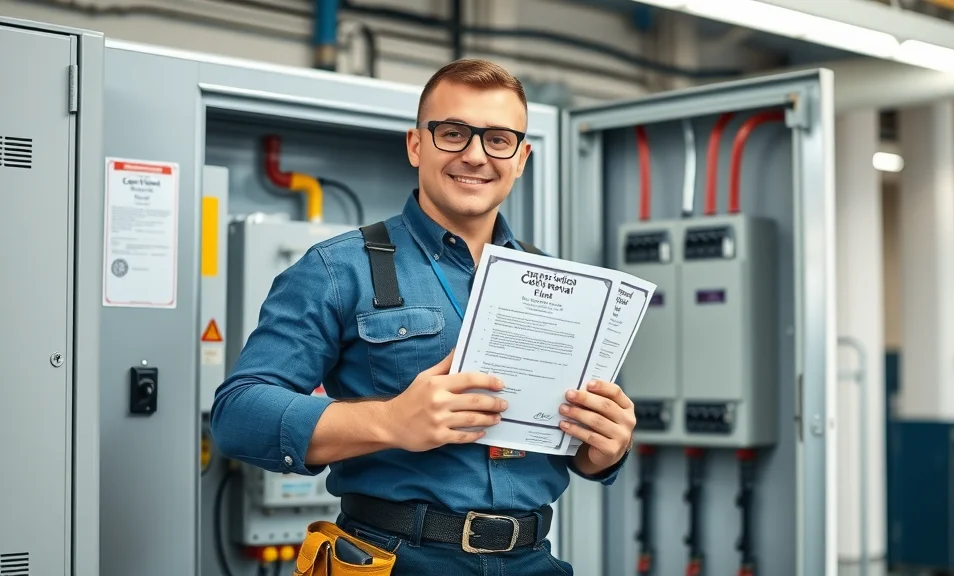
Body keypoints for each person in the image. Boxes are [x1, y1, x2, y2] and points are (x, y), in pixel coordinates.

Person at [211, 58, 637, 575]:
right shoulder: (336, 268)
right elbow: (237, 415)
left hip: (534, 562)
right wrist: (390, 422)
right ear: (417, 145)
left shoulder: (564, 288)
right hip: (392, 560)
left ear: (521, 157)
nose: (476, 156)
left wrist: (604, 447)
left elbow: (575, 440)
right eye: (453, 133)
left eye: (498, 140)